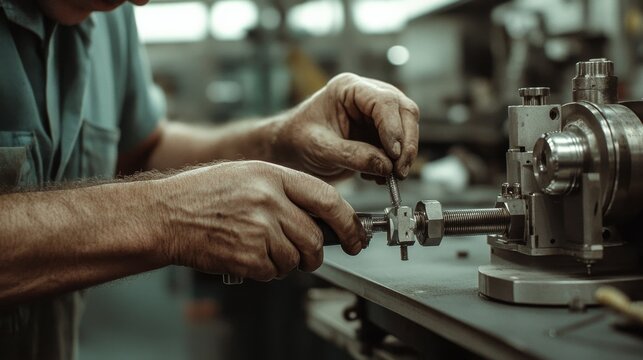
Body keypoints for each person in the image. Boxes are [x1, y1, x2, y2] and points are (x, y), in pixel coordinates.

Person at [0, 0, 420, 358]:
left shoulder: (112, 14)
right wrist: (169, 216)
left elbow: (142, 153)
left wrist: (278, 142)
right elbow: (157, 195)